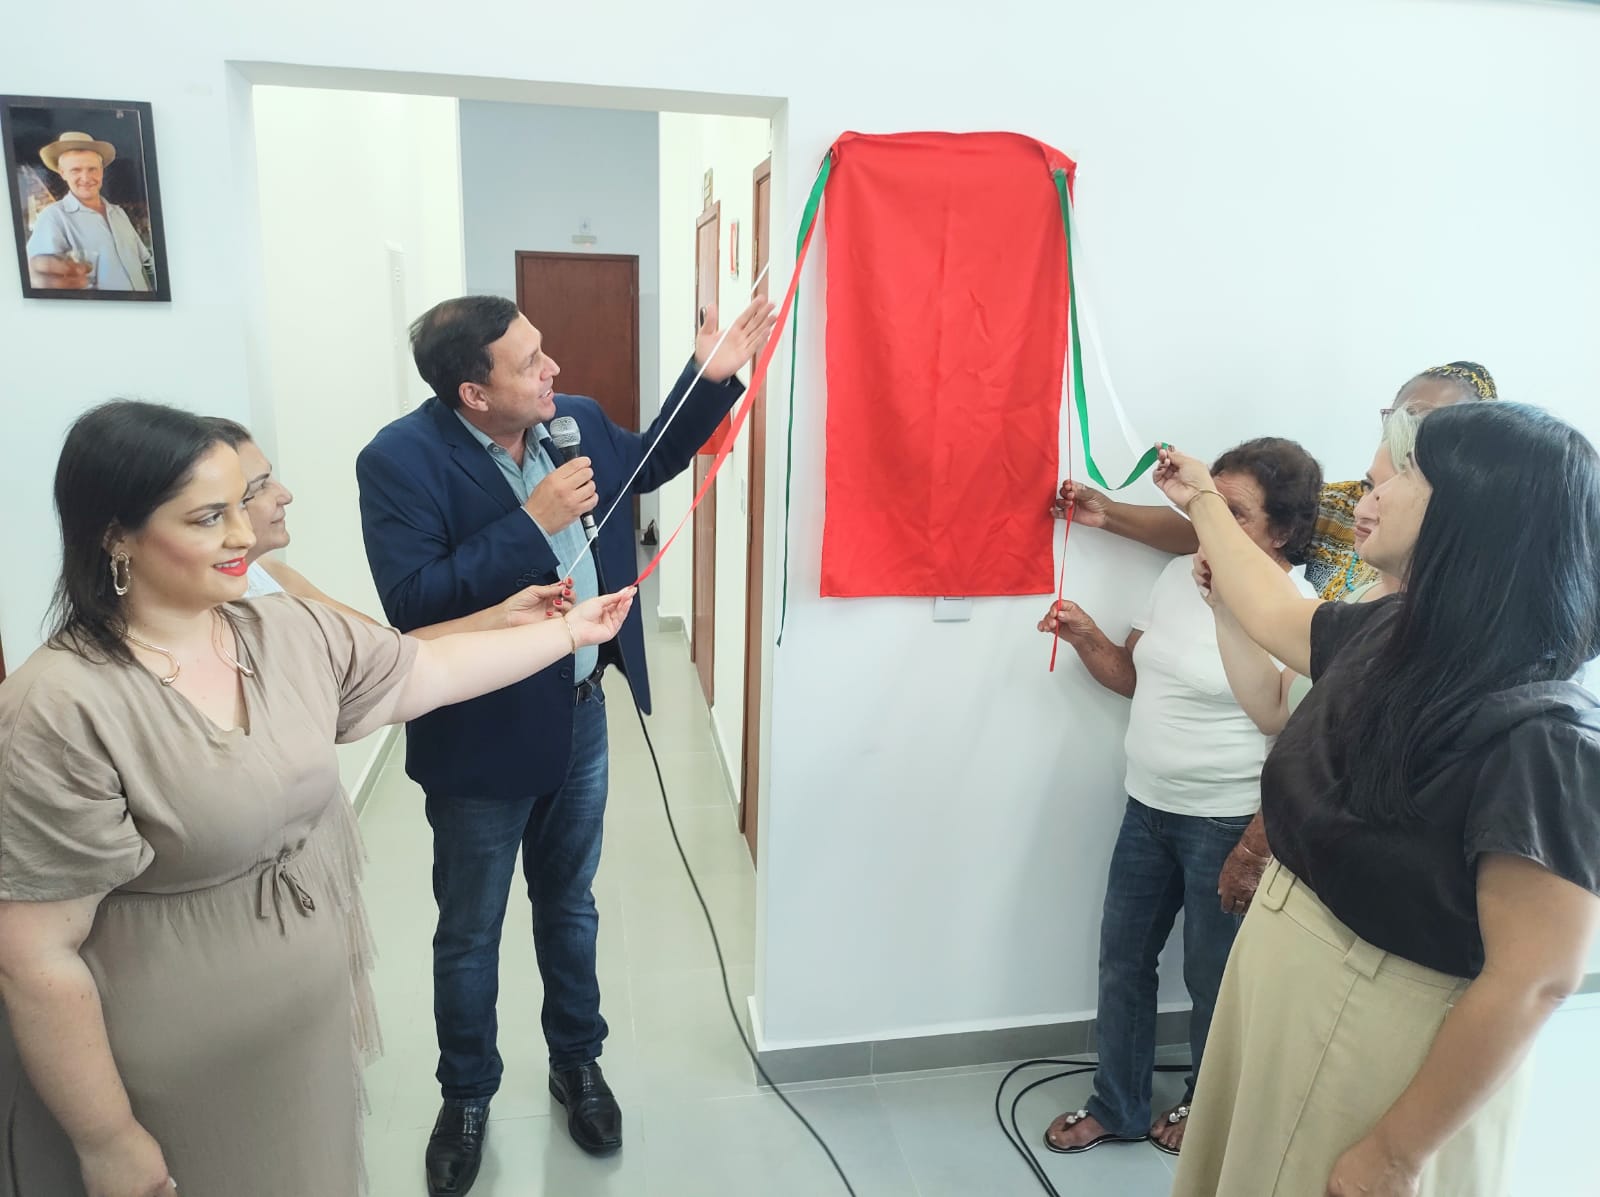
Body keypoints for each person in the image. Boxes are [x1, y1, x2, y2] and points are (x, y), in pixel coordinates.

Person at [0, 401, 636, 1197]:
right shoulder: (60, 708)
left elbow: (424, 672)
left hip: (304, 1051)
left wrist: (569, 633)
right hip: (161, 1086)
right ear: (115, 536)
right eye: (208, 517)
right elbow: (35, 956)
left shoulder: (283, 630)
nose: (243, 534)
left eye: (240, 504)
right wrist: (107, 1138)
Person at [357, 292, 775, 1195]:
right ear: (473, 393)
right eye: (529, 362)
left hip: (580, 711)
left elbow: (649, 460)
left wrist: (709, 377)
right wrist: (532, 522)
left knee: (570, 905)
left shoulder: (571, 419)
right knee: (470, 931)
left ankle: (577, 1062)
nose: (554, 370)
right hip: (478, 729)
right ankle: (467, 1095)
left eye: (543, 349)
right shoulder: (399, 460)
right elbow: (414, 603)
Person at [1153, 403, 1600, 1196]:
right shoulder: (1396, 632)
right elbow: (1272, 611)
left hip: (1370, 1033)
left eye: (1412, 473)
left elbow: (1536, 978)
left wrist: (1393, 1153)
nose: (1377, 492)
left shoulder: (1545, 735)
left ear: (1472, 513)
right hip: (1290, 985)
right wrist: (1204, 503)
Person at [1038, 437, 1323, 1158]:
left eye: (1234, 512)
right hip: (1145, 808)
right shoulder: (1175, 575)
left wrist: (1256, 843)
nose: (1211, 525)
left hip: (1227, 822)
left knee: (1213, 979)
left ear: (1284, 530)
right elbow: (1135, 677)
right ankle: (1118, 1105)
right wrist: (1085, 637)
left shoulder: (1299, 612)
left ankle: (1206, 1108)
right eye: (1206, 506)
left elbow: (1297, 741)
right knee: (1122, 962)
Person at [1055, 362, 1497, 599]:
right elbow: (1229, 532)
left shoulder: (1474, 545)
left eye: (1427, 421)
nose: (1406, 430)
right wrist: (1110, 514)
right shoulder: (1340, 505)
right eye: (1398, 415)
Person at [203, 417, 575, 636]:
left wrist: (503, 616)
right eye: (260, 487)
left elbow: (385, 646)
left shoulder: (270, 575)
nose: (284, 495)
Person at [1207, 405, 1418, 735]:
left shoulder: (1420, 626)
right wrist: (1223, 607)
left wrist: (1201, 497)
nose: (1361, 509)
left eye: (1385, 494)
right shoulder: (1361, 596)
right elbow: (1275, 709)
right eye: (1368, 486)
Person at [25, 131, 155, 292]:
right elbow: (39, 273)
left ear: (102, 171)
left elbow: (145, 262)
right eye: (76, 170)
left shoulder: (118, 213)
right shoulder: (53, 217)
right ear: (62, 173)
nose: (86, 178)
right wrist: (35, 278)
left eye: (92, 169)